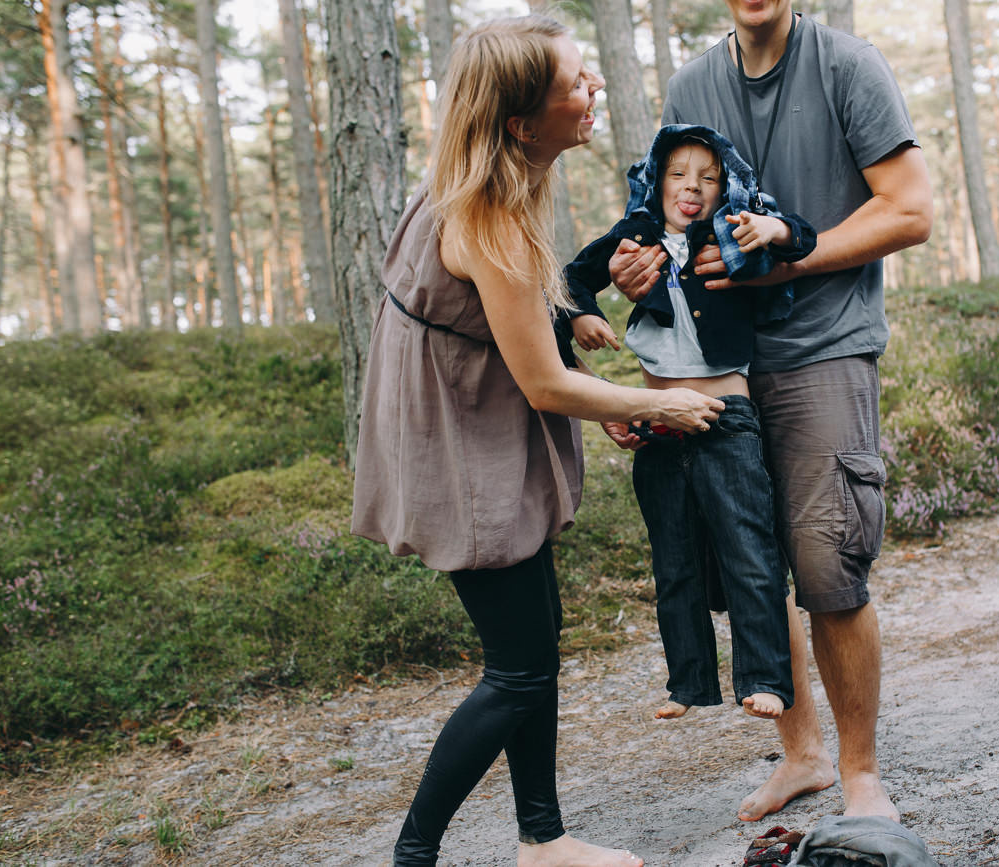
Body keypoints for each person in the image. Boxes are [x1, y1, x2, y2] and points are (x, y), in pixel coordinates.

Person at [350, 16, 724, 867]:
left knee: (533, 644)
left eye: (590, 76)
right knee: (516, 668)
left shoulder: (483, 182)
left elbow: (510, 325)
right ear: (521, 122)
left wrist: (574, 319)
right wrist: (659, 404)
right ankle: (414, 855)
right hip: (463, 450)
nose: (593, 94)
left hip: (473, 428)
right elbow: (545, 386)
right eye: (577, 84)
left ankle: (543, 841)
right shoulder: (490, 218)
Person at [607, 0, 934, 824]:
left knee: (827, 563)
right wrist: (637, 273)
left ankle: (862, 776)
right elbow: (665, 221)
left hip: (824, 347)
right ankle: (803, 755)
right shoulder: (690, 84)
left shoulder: (848, 67)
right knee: (752, 566)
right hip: (720, 371)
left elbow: (910, 210)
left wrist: (783, 259)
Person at [559, 124, 817, 721]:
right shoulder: (633, 239)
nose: (692, 187)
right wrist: (582, 317)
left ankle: (765, 679)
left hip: (727, 417)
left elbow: (799, 238)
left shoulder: (734, 231)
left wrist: (771, 228)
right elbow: (570, 278)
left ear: (726, 186)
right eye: (678, 174)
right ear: (656, 179)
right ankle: (688, 683)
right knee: (673, 561)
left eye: (709, 176)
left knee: (749, 551)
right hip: (655, 424)